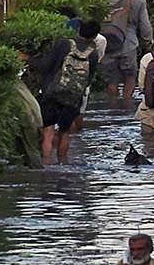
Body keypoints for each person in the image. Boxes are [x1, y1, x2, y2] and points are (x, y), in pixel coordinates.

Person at [29, 20, 102, 165]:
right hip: (73, 99)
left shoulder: (63, 44)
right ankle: (63, 164)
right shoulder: (93, 55)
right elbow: (88, 80)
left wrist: (28, 59)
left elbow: (45, 66)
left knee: (48, 132)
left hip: (52, 94)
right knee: (65, 132)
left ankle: (47, 164)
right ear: (94, 37)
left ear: (79, 30)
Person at [97, 0, 153, 99]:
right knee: (129, 78)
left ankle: (114, 108)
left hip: (109, 43)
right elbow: (145, 25)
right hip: (129, 45)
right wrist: (147, 44)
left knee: (111, 81)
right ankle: (127, 107)